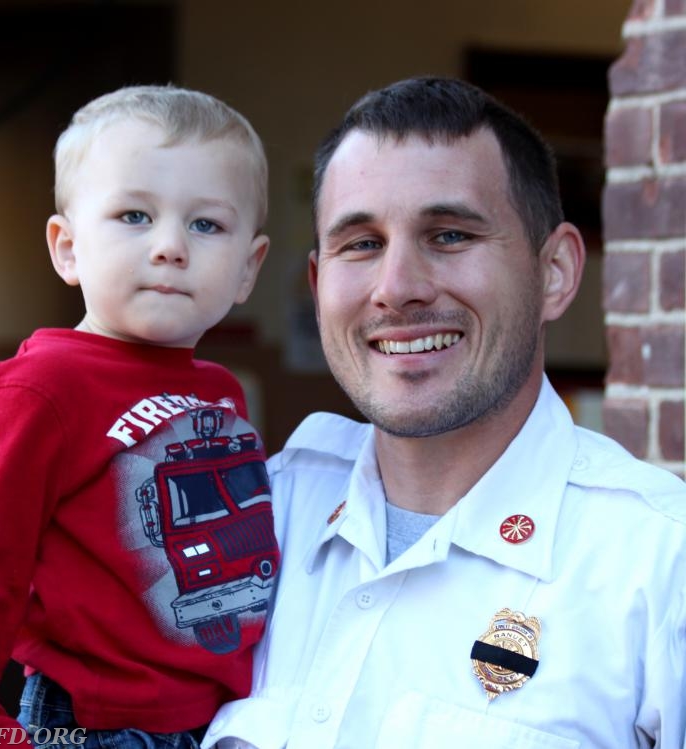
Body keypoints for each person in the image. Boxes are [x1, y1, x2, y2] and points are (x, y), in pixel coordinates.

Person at [203, 77, 686, 749]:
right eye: (362, 244)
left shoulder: (660, 564)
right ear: (318, 286)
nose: (396, 288)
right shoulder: (255, 519)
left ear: (554, 272)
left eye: (450, 234)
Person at [0, 84, 279, 749]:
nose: (171, 245)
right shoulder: (37, 388)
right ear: (67, 248)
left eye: (207, 224)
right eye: (134, 215)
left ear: (247, 270)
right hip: (93, 726)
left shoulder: (224, 391)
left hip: (229, 722)